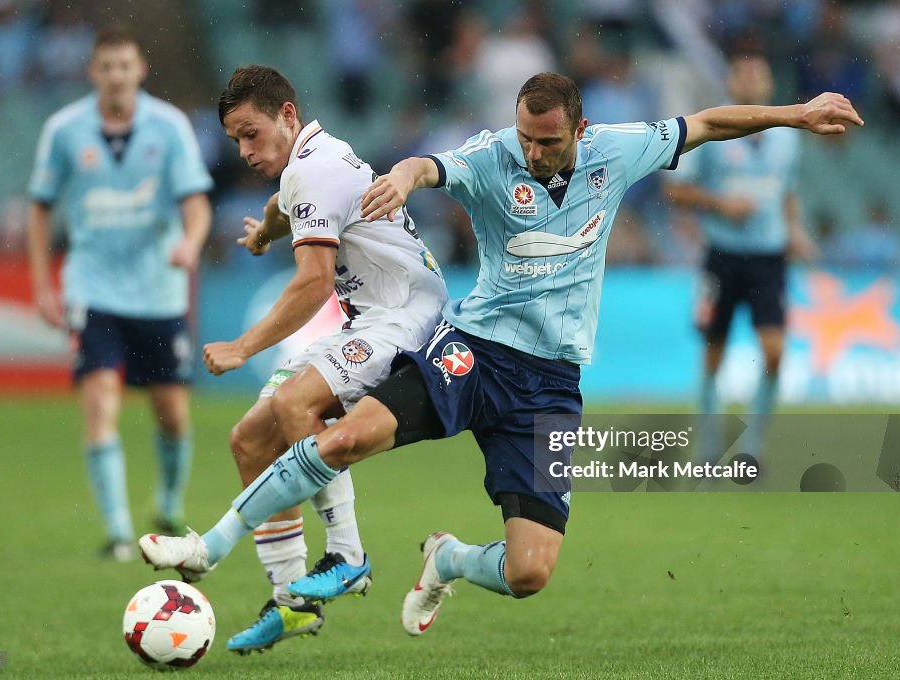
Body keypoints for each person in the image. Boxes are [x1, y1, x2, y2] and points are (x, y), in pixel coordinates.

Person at [141, 72, 862, 635]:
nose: (533, 151)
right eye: (525, 137)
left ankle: (447, 558)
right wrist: (406, 177)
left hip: (551, 385)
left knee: (529, 573)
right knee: (345, 435)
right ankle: (213, 542)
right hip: (474, 349)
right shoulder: (495, 156)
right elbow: (433, 166)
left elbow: (704, 123)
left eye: (548, 142)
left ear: (580, 129)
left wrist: (797, 113)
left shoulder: (618, 149)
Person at [145, 65, 448, 652]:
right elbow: (287, 203)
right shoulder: (310, 159)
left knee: (293, 402)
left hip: (408, 316)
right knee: (251, 441)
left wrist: (243, 346)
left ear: (288, 115)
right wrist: (264, 232)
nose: (244, 149)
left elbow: (312, 284)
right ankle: (292, 605)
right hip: (374, 316)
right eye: (235, 139)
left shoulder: (315, 168)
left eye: (251, 133)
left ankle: (348, 555)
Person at [27, 25, 213, 561]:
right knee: (100, 400)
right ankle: (116, 533)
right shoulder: (64, 130)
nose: (115, 76)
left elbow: (195, 203)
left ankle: (170, 502)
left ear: (139, 71)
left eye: (124, 66)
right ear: (93, 72)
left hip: (159, 287)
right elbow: (39, 207)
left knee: (172, 413)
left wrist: (192, 243)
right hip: (94, 285)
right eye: (106, 66)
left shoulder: (170, 126)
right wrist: (43, 284)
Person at [663, 50, 819, 460]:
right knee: (714, 353)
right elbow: (675, 190)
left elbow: (786, 192)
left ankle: (751, 448)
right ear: (730, 83)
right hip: (722, 257)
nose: (750, 80)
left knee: (774, 352)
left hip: (769, 259)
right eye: (742, 73)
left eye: (757, 73)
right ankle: (710, 447)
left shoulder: (787, 138)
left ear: (769, 84)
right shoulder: (713, 133)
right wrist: (720, 204)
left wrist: (795, 231)